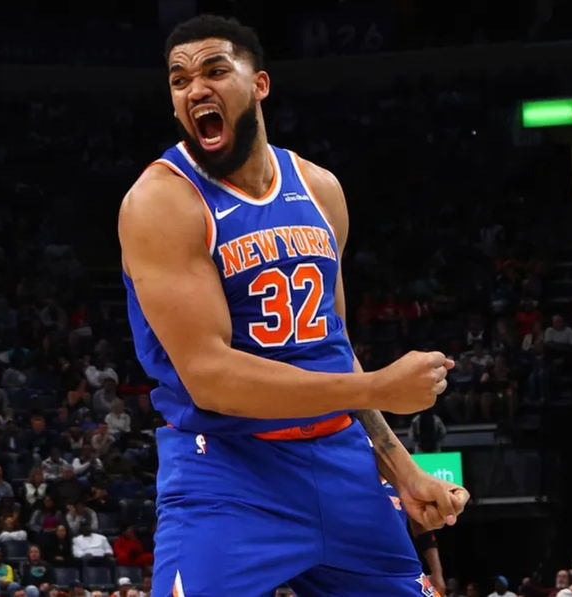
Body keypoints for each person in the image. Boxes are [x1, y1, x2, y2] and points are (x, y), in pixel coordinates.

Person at [117, 14, 468, 595]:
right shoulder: (160, 201)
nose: (194, 88)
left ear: (259, 85)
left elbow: (334, 350)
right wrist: (378, 388)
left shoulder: (320, 189)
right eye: (179, 79)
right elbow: (211, 379)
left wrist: (404, 472)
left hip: (341, 462)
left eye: (214, 69)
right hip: (228, 474)